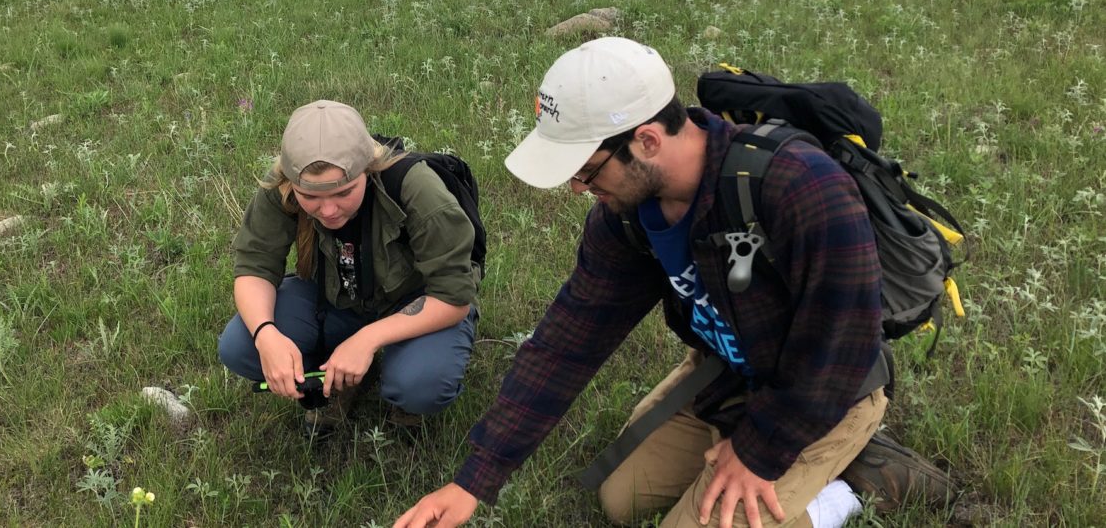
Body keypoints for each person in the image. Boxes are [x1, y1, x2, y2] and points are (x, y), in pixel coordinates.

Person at [395, 38, 951, 528]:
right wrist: (476, 480)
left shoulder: (800, 186)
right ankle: (772, 457)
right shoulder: (626, 215)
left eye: (587, 172)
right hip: (725, 374)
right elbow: (568, 341)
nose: (578, 190)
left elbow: (844, 345)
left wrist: (759, 451)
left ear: (648, 141)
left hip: (827, 387)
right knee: (620, 499)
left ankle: (847, 486)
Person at [218, 100, 481, 434]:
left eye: (344, 192)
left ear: (367, 170)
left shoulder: (417, 188)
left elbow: (453, 297)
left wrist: (368, 339)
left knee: (421, 385)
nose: (327, 211)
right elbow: (254, 266)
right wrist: (266, 334)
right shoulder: (282, 184)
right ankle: (331, 379)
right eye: (309, 197)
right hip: (336, 299)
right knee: (241, 347)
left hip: (416, 303)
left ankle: (390, 380)